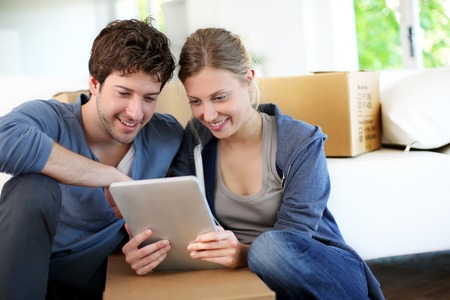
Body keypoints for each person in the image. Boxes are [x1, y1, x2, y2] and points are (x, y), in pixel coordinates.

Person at [123, 27, 385, 299]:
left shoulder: (301, 141)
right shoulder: (196, 139)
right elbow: (183, 222)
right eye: (195, 101)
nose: (208, 114)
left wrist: (242, 253)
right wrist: (150, 246)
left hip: (323, 271)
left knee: (268, 249)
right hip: (245, 278)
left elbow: (294, 240)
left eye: (220, 97)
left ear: (248, 80)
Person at [0, 18, 183, 299]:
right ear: (94, 83)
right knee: (32, 188)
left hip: (107, 280)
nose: (136, 113)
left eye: (149, 98)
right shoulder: (51, 119)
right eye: (123, 93)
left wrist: (151, 248)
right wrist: (110, 176)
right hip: (31, 277)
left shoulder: (166, 134)